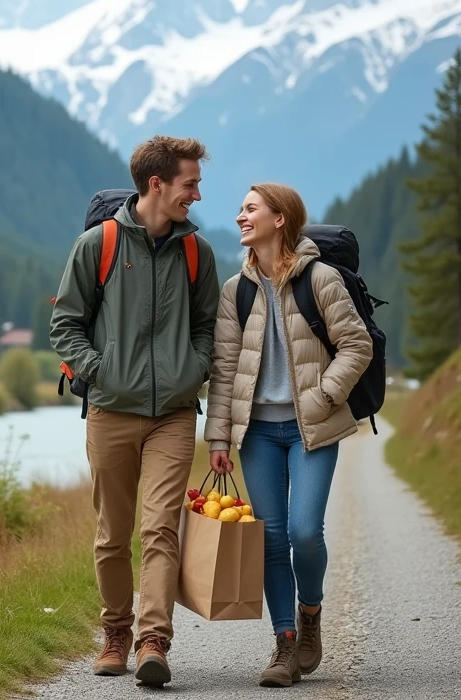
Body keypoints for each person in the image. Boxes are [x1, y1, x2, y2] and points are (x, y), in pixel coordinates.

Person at [49, 135, 220, 687]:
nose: (196, 193)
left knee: (160, 528)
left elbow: (207, 328)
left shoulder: (197, 253)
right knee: (111, 534)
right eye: (189, 183)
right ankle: (116, 632)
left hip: (173, 413)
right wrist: (100, 372)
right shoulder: (96, 246)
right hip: (109, 411)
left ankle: (153, 640)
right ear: (157, 184)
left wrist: (191, 371)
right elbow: (65, 325)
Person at [204, 182, 372, 688]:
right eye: (240, 209)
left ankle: (311, 613)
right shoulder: (237, 290)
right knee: (272, 540)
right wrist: (218, 439)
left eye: (250, 209)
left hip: (310, 429)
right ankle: (284, 645)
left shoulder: (319, 279)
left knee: (303, 532)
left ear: (281, 219)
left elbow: (356, 345)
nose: (240, 217)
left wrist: (323, 397)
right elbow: (225, 367)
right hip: (258, 433)